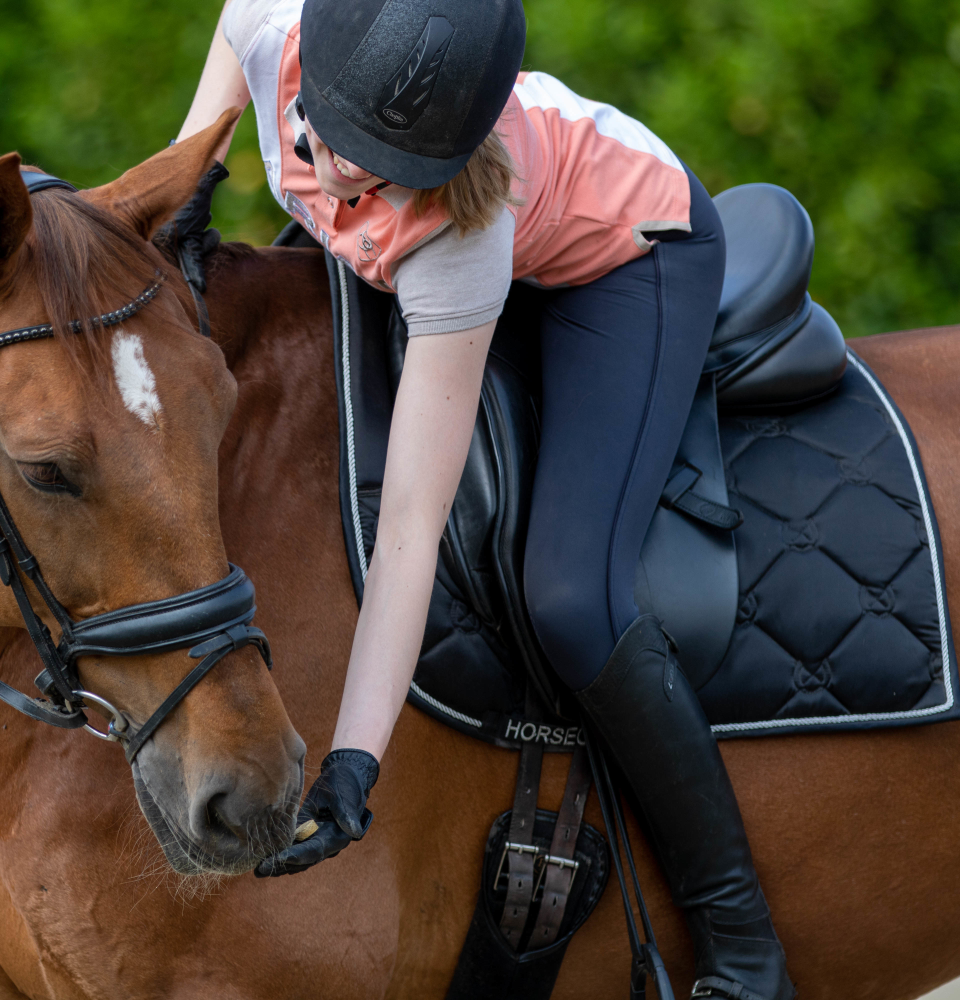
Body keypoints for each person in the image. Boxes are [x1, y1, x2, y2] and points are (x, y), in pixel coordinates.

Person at [177, 1, 792, 996]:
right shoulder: (272, 28)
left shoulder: (461, 240)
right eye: (332, 138)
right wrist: (193, 168)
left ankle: (744, 939)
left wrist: (353, 763)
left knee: (571, 599)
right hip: (487, 200)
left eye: (374, 166)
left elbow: (411, 525)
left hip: (631, 255)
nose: (333, 174)